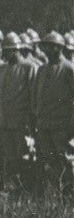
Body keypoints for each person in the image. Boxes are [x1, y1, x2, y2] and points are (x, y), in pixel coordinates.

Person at [0, 33, 37, 194]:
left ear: (16, 50)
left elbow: (33, 95)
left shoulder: (29, 67)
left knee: (24, 156)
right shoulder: (2, 69)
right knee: (9, 157)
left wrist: (30, 121)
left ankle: (27, 189)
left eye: (7, 50)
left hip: (21, 121)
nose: (4, 54)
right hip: (4, 121)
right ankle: (13, 188)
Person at [33, 30, 73, 197]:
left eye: (52, 47)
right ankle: (56, 194)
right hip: (44, 124)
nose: (47, 50)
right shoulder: (42, 69)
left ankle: (70, 194)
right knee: (49, 161)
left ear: (60, 48)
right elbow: (36, 96)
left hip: (62, 125)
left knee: (66, 160)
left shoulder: (69, 69)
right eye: (46, 46)